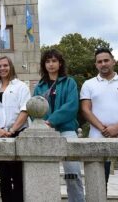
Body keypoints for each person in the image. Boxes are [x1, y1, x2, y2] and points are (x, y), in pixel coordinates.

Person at [33, 49, 85, 202]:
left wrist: (50, 121)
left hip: (67, 131)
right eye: (47, 61)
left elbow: (72, 106)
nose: (51, 64)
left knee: (73, 174)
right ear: (44, 64)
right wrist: (43, 124)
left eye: (54, 61)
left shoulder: (70, 82)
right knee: (44, 174)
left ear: (60, 63)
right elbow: (34, 108)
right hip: (45, 133)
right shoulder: (40, 86)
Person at [80, 48, 118, 185]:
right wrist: (104, 129)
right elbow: (85, 110)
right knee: (98, 182)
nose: (103, 64)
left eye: (106, 60)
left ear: (113, 61)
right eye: (99, 61)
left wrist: (117, 127)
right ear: (96, 65)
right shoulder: (88, 84)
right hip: (98, 135)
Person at [0, 56, 30, 202]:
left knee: (18, 176)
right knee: (3, 177)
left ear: (11, 67)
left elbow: (25, 109)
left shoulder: (21, 86)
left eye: (5, 65)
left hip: (18, 134)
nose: (2, 68)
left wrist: (13, 130)